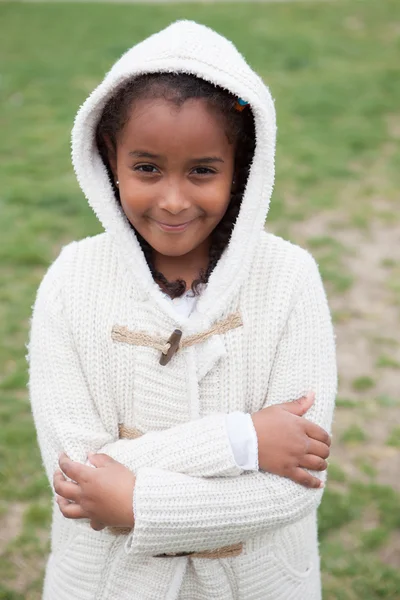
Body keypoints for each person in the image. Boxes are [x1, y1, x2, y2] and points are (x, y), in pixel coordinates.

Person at [27, 19, 337, 600]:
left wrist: (134, 499)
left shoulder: (290, 278)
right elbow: (77, 479)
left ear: (240, 170)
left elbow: (297, 486)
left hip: (257, 584)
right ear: (107, 162)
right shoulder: (71, 282)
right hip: (105, 584)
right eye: (146, 169)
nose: (173, 199)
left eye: (202, 170)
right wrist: (243, 441)